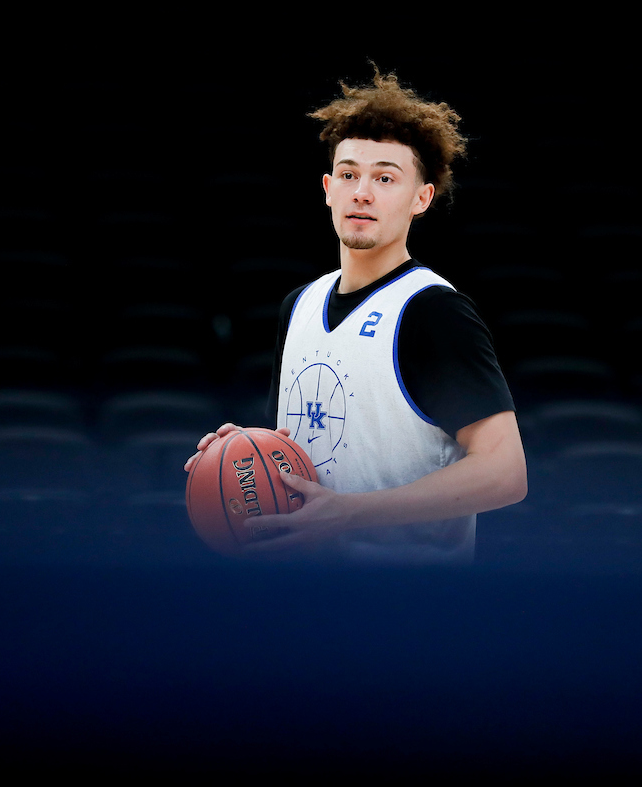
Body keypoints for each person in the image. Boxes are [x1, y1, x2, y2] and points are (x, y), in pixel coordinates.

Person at [184, 67, 526, 564]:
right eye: (349, 174)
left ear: (421, 198)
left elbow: (505, 472)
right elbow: (300, 453)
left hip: (411, 616)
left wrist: (350, 511)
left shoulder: (433, 311)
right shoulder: (298, 306)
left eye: (386, 177)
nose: (362, 192)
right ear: (327, 188)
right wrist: (241, 452)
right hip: (311, 605)